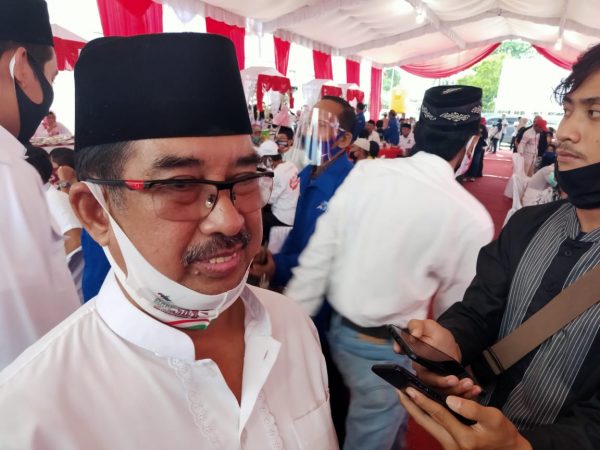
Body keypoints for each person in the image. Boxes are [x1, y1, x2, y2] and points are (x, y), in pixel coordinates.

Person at [0, 33, 337, 449]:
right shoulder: (30, 418)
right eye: (180, 185)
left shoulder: (292, 326)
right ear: (95, 213)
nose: (230, 220)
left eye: (245, 178)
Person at [396, 43, 600, 450]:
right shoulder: (527, 224)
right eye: (568, 111)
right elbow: (480, 309)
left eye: (595, 114)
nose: (565, 132)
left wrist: (521, 445)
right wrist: (450, 341)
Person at [285, 85, 494, 450]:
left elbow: (318, 258)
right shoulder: (470, 217)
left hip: (339, 332)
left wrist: (289, 333)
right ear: (471, 142)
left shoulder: (368, 173)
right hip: (390, 350)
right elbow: (456, 317)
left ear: (418, 131)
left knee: (387, 427)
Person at [0, 0, 79, 371]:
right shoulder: (8, 174)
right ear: (21, 66)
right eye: (51, 78)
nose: (49, 91)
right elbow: (41, 352)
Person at [249, 95, 355, 289]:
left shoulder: (349, 187)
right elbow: (298, 234)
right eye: (308, 123)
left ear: (344, 139)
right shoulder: (307, 174)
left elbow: (332, 257)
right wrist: (273, 259)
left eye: (320, 125)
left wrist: (280, 266)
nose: (308, 132)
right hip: (297, 282)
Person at [257, 140, 299, 244]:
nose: (262, 163)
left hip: (282, 218)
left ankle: (261, 246)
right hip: (293, 212)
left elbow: (268, 199)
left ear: (270, 159)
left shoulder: (277, 174)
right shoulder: (291, 165)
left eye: (263, 160)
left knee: (257, 219)